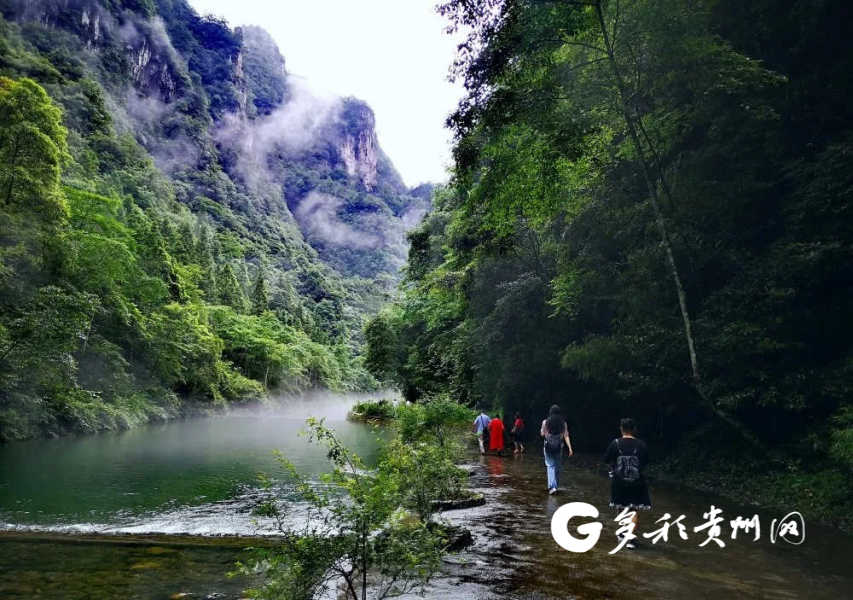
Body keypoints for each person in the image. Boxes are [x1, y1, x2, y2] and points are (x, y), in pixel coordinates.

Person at [603, 417, 651, 549]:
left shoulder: (615, 443)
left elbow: (606, 460)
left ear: (621, 429)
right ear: (634, 429)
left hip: (619, 481)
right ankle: (629, 538)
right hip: (637, 482)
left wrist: (613, 470)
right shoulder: (641, 445)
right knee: (633, 509)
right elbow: (646, 462)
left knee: (620, 507)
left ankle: (623, 535)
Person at [540, 405, 573, 494]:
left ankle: (552, 487)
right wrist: (570, 448)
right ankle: (555, 486)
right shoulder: (563, 423)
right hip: (559, 447)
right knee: (557, 466)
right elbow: (566, 436)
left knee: (550, 466)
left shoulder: (545, 422)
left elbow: (542, 434)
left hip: (548, 447)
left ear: (550, 412)